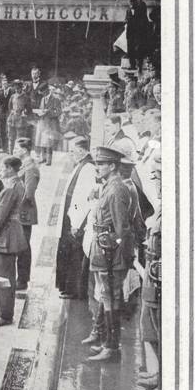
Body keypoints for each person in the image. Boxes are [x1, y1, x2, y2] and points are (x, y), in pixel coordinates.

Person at [83, 146, 135, 362]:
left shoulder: (116, 190)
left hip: (110, 253)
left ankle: (111, 348)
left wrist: (114, 255)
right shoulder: (109, 186)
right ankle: (107, 343)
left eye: (102, 164)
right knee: (106, 296)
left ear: (112, 166)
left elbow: (121, 229)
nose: (98, 167)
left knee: (111, 297)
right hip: (105, 249)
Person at [135, 151, 162, 390]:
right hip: (154, 280)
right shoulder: (163, 206)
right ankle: (159, 384)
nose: (156, 181)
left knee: (164, 338)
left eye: (160, 177)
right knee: (153, 332)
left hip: (161, 283)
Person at [55, 137, 97, 299]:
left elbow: (83, 198)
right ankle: (67, 287)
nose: (71, 154)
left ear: (82, 151)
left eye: (73, 151)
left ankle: (74, 289)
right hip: (71, 217)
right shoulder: (80, 165)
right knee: (68, 253)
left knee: (74, 255)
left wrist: (76, 222)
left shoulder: (88, 168)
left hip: (75, 220)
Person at [0, 157, 28, 324]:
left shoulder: (10, 188)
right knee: (7, 275)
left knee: (3, 276)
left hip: (6, 237)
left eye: (3, 167)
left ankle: (4, 314)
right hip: (12, 234)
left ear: (11, 169)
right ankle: (4, 311)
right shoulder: (17, 184)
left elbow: (0, 217)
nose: (1, 169)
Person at [13, 137, 40, 290]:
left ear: (24, 150)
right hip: (22, 212)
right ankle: (22, 278)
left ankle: (23, 280)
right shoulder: (25, 165)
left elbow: (28, 194)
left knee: (23, 247)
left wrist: (15, 207)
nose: (14, 151)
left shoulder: (30, 168)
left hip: (25, 212)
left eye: (16, 149)